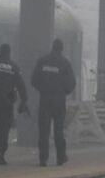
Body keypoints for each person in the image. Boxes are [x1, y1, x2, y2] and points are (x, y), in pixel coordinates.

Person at [31, 39, 76, 167]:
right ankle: (61, 157)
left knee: (43, 130)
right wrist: (63, 92)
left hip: (45, 100)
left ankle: (43, 159)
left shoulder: (42, 61)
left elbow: (34, 80)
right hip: (59, 101)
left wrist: (43, 89)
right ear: (61, 49)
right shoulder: (65, 63)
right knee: (58, 130)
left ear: (52, 47)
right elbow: (72, 83)